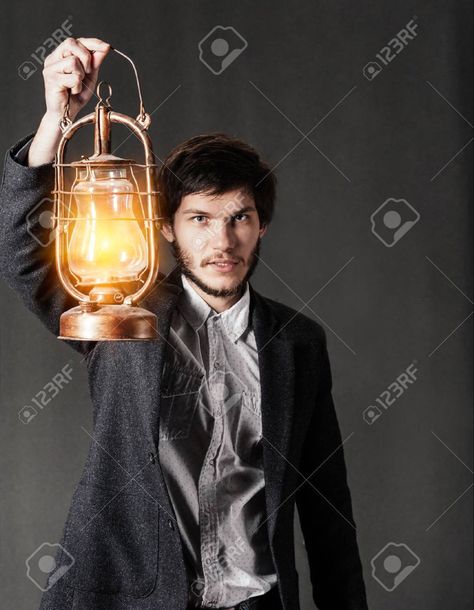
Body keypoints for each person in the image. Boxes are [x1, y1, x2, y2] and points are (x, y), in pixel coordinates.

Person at [0, 37, 369, 610]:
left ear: (261, 225)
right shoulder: (120, 319)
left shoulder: (298, 344)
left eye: (239, 217)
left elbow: (327, 511)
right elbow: (19, 250)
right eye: (199, 218)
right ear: (167, 228)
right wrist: (55, 121)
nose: (222, 241)